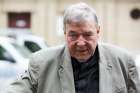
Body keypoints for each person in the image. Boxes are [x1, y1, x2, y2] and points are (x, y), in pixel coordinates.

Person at [6, 2, 140, 93]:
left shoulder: (123, 60)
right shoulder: (41, 62)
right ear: (65, 33)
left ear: (98, 31)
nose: (80, 42)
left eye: (87, 35)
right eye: (73, 35)